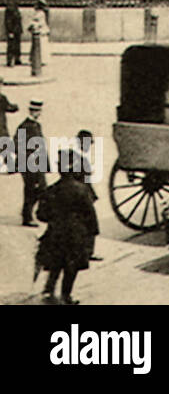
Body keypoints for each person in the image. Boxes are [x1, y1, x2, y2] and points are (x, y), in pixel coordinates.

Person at [36, 151, 99, 305]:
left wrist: (55, 218)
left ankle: (49, 291)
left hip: (56, 233)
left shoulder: (51, 190)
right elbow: (90, 215)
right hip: (76, 235)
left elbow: (41, 215)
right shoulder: (82, 190)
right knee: (72, 268)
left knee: (56, 264)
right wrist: (92, 234)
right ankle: (66, 296)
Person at [17, 100, 47, 226]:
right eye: (36, 111)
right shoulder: (25, 126)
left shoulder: (36, 125)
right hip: (29, 163)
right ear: (31, 111)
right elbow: (17, 144)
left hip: (37, 163)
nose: (38, 113)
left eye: (39, 111)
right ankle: (27, 216)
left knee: (41, 188)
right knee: (31, 189)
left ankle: (30, 213)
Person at [5, 0, 23, 66]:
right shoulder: (10, 10)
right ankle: (10, 60)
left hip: (17, 31)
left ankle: (17, 59)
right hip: (13, 31)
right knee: (11, 46)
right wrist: (10, 31)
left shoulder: (16, 10)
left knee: (17, 46)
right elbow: (8, 22)